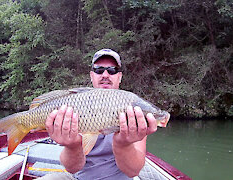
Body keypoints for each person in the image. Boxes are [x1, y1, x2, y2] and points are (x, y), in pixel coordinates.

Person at [42, 49, 158, 179]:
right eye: (99, 70)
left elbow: (133, 171)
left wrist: (123, 145)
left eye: (112, 70)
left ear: (119, 77)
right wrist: (72, 146)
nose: (105, 75)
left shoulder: (131, 108)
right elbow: (72, 168)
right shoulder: (76, 104)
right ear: (92, 76)